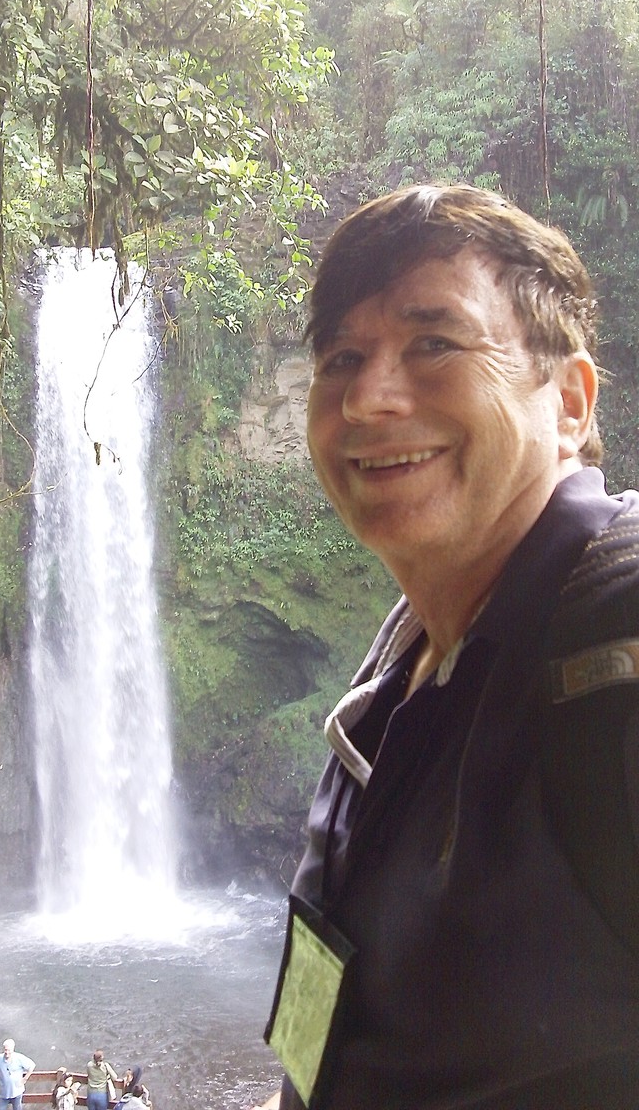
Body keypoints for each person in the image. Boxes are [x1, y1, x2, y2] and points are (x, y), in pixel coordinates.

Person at [264, 184, 639, 1109]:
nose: (367, 397)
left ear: (570, 403)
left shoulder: (615, 648)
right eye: (341, 358)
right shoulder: (391, 684)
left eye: (435, 342)